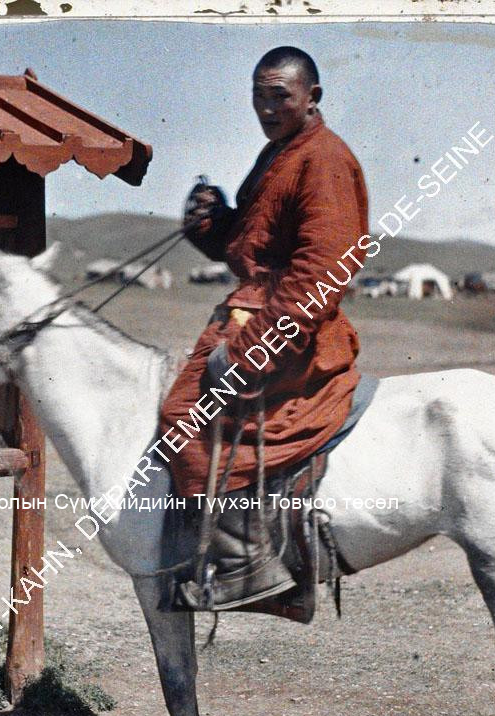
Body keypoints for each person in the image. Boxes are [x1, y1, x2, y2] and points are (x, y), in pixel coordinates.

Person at [157, 46, 370, 612]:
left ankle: (250, 568)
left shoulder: (322, 159)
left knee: (185, 415)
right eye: (259, 95)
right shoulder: (280, 154)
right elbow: (252, 247)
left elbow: (320, 274)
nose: (268, 108)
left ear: (312, 98)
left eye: (281, 96)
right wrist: (213, 223)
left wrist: (255, 350)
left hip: (291, 327)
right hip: (258, 309)